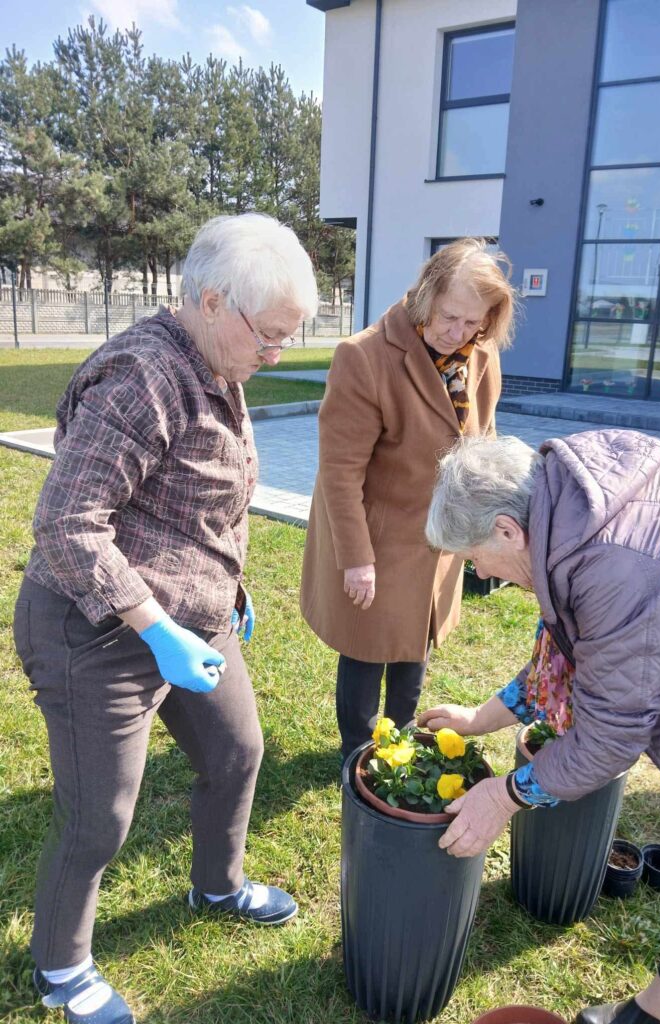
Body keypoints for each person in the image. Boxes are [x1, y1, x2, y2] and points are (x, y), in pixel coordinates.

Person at [13, 213, 318, 1024]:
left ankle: (217, 885)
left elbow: (199, 505)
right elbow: (68, 523)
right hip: (96, 627)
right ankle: (61, 967)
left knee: (238, 750)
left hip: (190, 618)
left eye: (290, 337)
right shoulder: (147, 377)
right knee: (99, 818)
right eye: (271, 336)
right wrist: (156, 626)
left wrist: (226, 589)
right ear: (212, 302)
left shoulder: (222, 364)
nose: (278, 355)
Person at [419, 431, 660, 1024]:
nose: (479, 572)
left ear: (507, 530)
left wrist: (505, 796)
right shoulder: (572, 514)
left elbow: (612, 731)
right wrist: (481, 719)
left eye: (473, 556)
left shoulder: (612, 562)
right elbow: (571, 658)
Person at [300, 239, 514, 760]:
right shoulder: (364, 356)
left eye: (473, 324)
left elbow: (482, 442)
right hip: (378, 534)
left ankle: (395, 743)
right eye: (450, 317)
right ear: (426, 293)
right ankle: (357, 750)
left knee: (415, 641)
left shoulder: (479, 353)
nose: (459, 333)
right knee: (368, 643)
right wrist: (356, 559)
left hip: (436, 536)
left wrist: (483, 529)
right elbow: (340, 471)